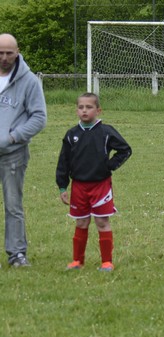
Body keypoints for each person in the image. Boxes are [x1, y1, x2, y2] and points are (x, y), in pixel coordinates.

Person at [56, 93, 132, 272]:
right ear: (76, 110)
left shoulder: (106, 132)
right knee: (81, 223)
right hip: (79, 187)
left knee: (102, 221)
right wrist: (62, 186)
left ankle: (107, 262)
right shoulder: (71, 135)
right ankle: (77, 261)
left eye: (89, 107)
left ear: (98, 110)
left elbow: (125, 150)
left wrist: (109, 166)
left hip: (100, 186)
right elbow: (63, 162)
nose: (84, 110)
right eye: (81, 107)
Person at [0, 33, 47, 268]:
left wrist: (13, 137)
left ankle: (17, 254)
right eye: (0, 53)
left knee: (13, 204)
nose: (4, 57)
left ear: (17, 52)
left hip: (13, 153)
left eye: (9, 53)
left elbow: (39, 117)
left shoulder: (29, 81)